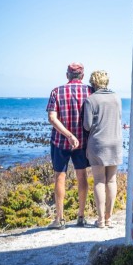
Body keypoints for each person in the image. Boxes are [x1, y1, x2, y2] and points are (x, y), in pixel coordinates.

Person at [46, 62, 91, 229]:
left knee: (60, 176)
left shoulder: (56, 91)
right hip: (83, 141)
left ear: (67, 75)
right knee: (82, 176)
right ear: (82, 76)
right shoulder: (89, 91)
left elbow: (52, 118)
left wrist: (69, 135)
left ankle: (60, 219)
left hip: (61, 141)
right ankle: (81, 216)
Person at [83, 70, 123, 228]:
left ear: (93, 83)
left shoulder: (90, 100)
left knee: (99, 180)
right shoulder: (117, 97)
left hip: (98, 143)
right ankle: (109, 219)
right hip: (115, 141)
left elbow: (87, 126)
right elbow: (119, 118)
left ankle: (100, 220)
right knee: (112, 180)